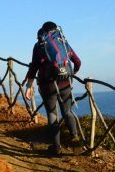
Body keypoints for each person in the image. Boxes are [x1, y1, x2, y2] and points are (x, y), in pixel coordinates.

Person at [23, 21, 81, 155]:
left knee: (52, 114)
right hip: (65, 83)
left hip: (47, 86)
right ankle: (76, 141)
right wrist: (71, 74)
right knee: (68, 112)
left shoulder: (39, 46)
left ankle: (56, 148)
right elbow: (77, 62)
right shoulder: (63, 44)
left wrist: (29, 86)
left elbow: (33, 68)